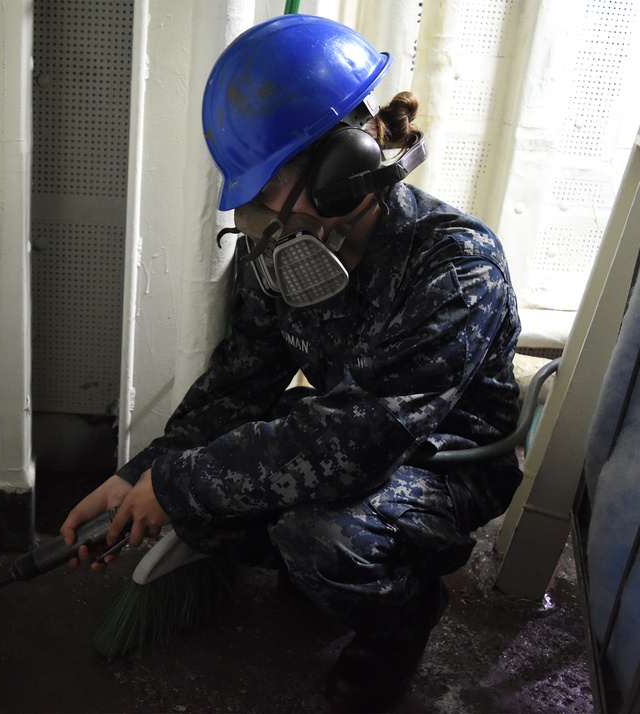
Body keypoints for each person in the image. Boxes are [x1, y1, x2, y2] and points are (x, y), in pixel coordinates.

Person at [60, 14, 522, 711]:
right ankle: (317, 574)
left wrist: (180, 484)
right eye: (256, 197)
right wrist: (141, 475)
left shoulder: (456, 267)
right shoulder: (286, 257)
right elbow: (237, 386)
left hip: (446, 458)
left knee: (322, 536)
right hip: (343, 435)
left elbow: (359, 440)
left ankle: (398, 623)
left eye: (275, 187)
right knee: (210, 496)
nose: (265, 217)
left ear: (346, 160)